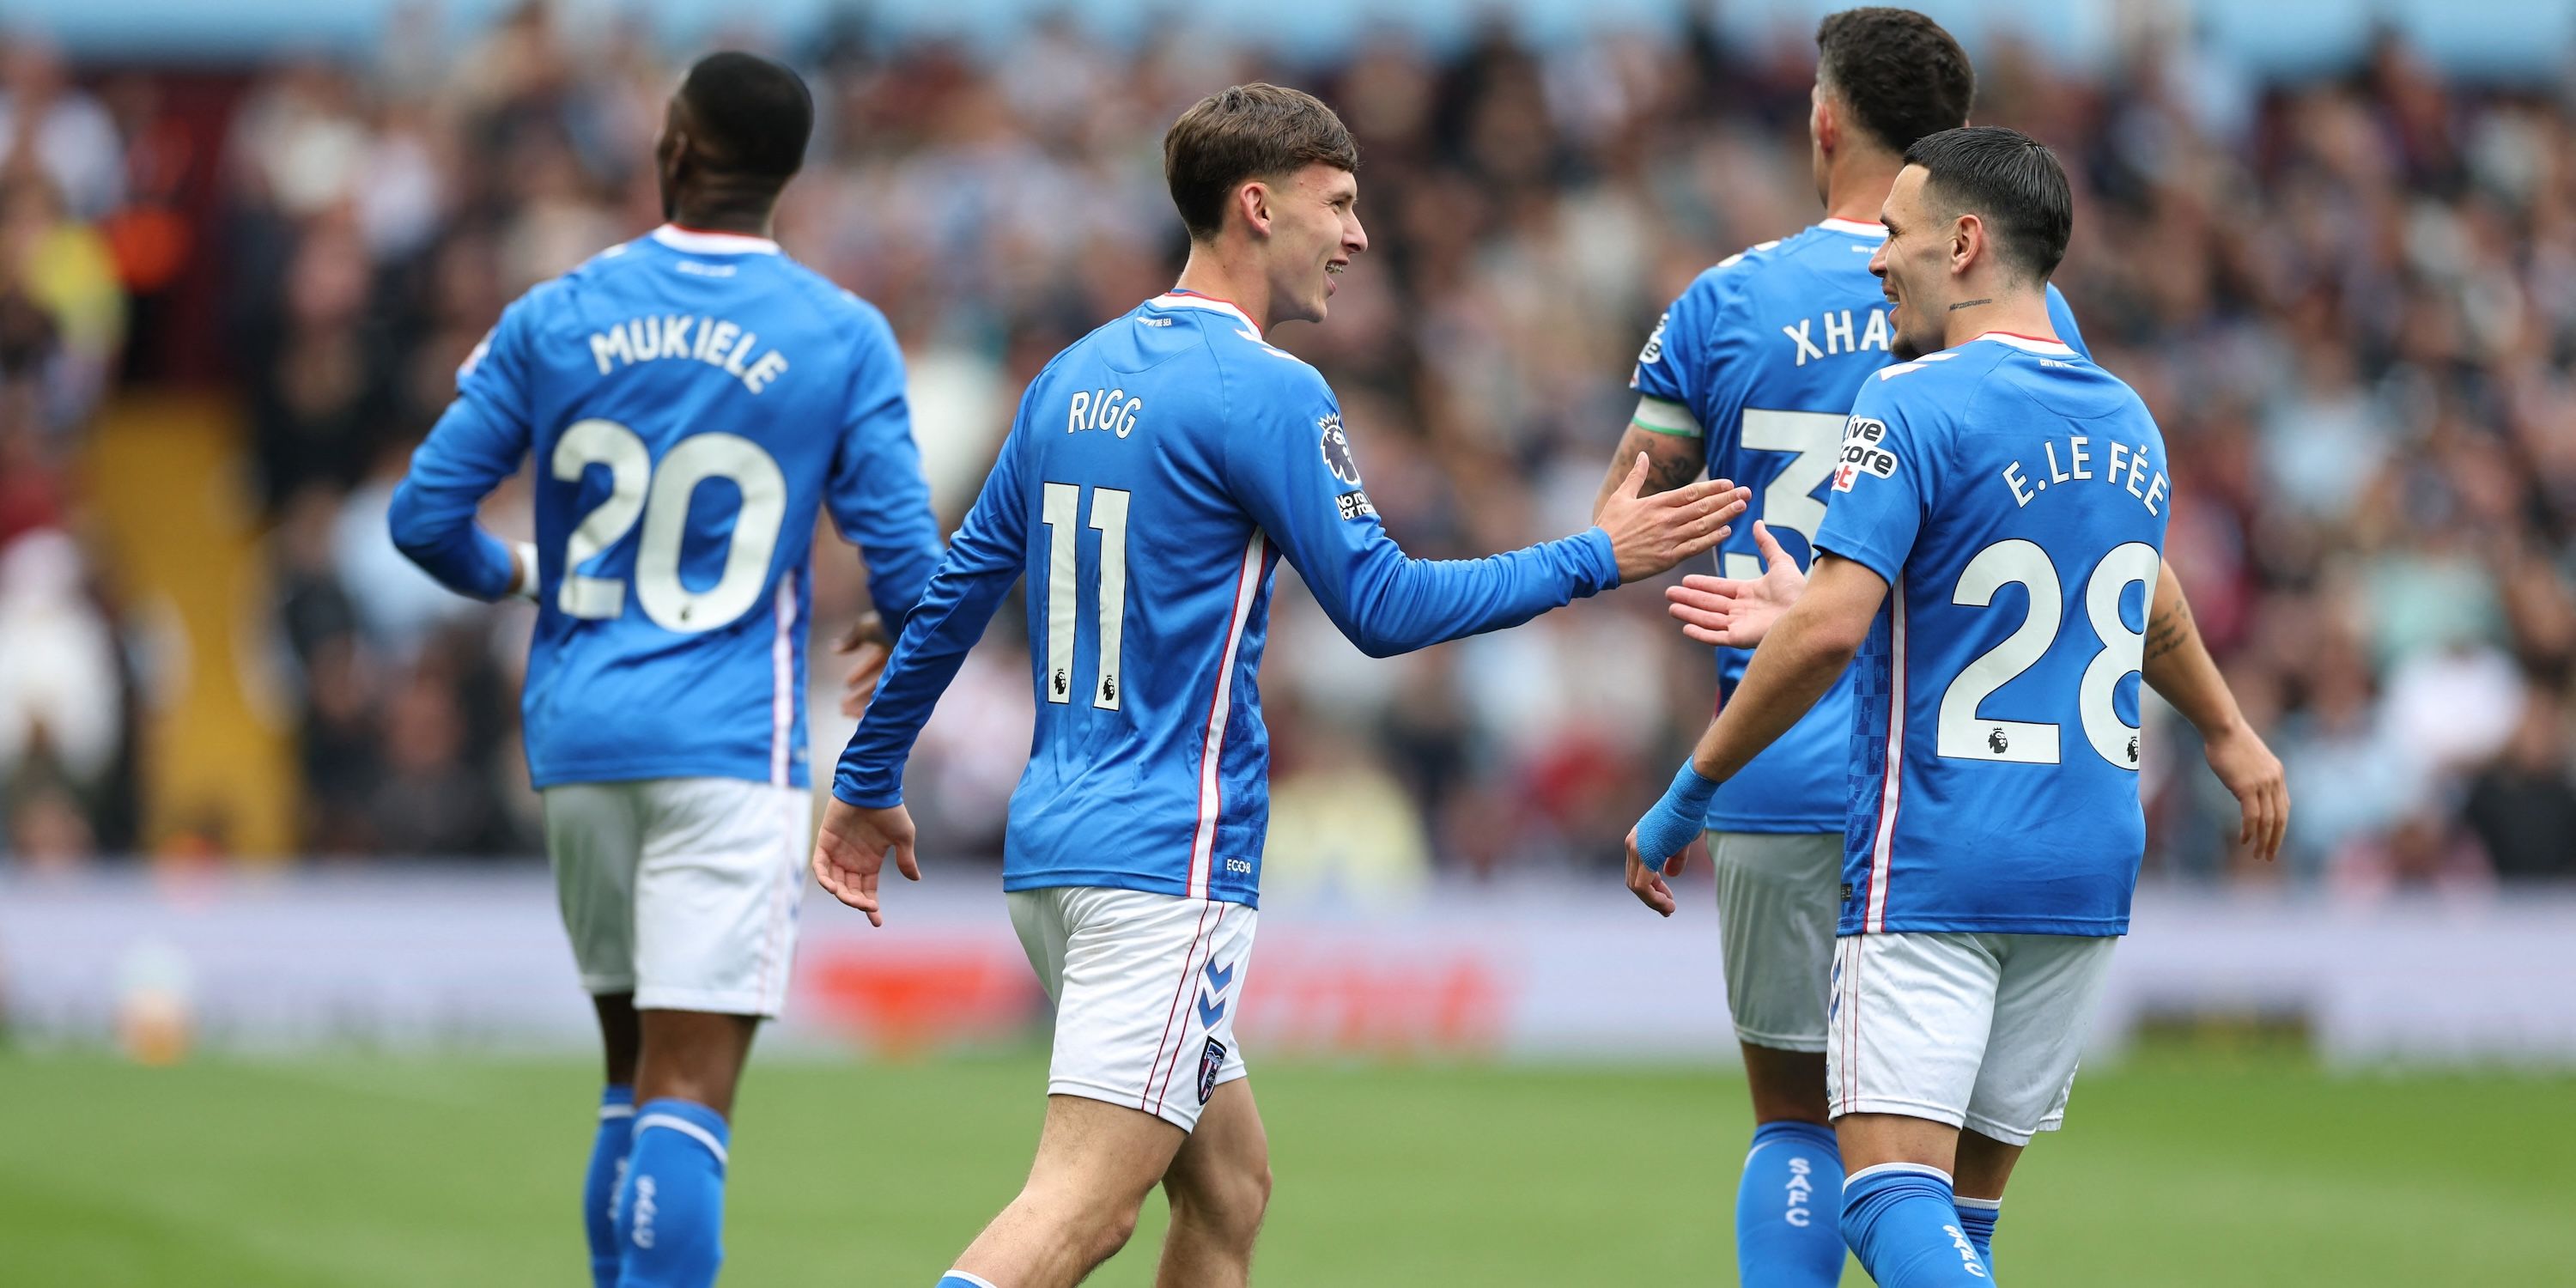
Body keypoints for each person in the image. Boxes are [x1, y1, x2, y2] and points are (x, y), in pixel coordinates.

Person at [809, 83, 1748, 1288]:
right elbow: (1384, 609)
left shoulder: (1071, 376)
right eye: (1339, 204)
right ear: (1257, 206)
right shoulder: (1268, 392)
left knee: (1231, 1189)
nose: (1359, 235)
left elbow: (951, 597)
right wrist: (1596, 556)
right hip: (1167, 860)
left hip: (1059, 855)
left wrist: (866, 776)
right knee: (1083, 1210)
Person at [1594, 12, 2285, 1282]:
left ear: (1823, 121)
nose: (1881, 271)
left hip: (1839, 771)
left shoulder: (1728, 301)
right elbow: (2112, 560)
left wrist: (1754, 645)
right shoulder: (2072, 349)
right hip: (2055, 808)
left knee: (1816, 1139)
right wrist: (2229, 725)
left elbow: (1624, 525)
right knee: (1950, 1198)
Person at [386, 52, 942, 1288]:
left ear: (673, 150)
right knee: (692, 1089)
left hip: (580, 739)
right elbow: (914, 571)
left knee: (629, 1074)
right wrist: (893, 641)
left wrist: (529, 574)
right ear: (788, 176)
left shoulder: (557, 312)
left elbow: (424, 519)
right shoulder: (839, 335)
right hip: (728, 745)